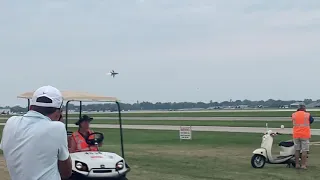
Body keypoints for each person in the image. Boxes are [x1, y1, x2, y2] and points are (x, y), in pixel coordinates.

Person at [0, 85, 72, 180]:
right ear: (58, 113)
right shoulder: (58, 128)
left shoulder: (11, 122)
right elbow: (66, 172)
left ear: (30, 107)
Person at [291, 104, 314, 169]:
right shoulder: (307, 114)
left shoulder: (294, 114)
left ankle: (297, 164)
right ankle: (303, 165)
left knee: (297, 150)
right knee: (304, 150)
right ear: (304, 108)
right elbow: (311, 121)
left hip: (296, 134)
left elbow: (293, 120)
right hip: (304, 135)